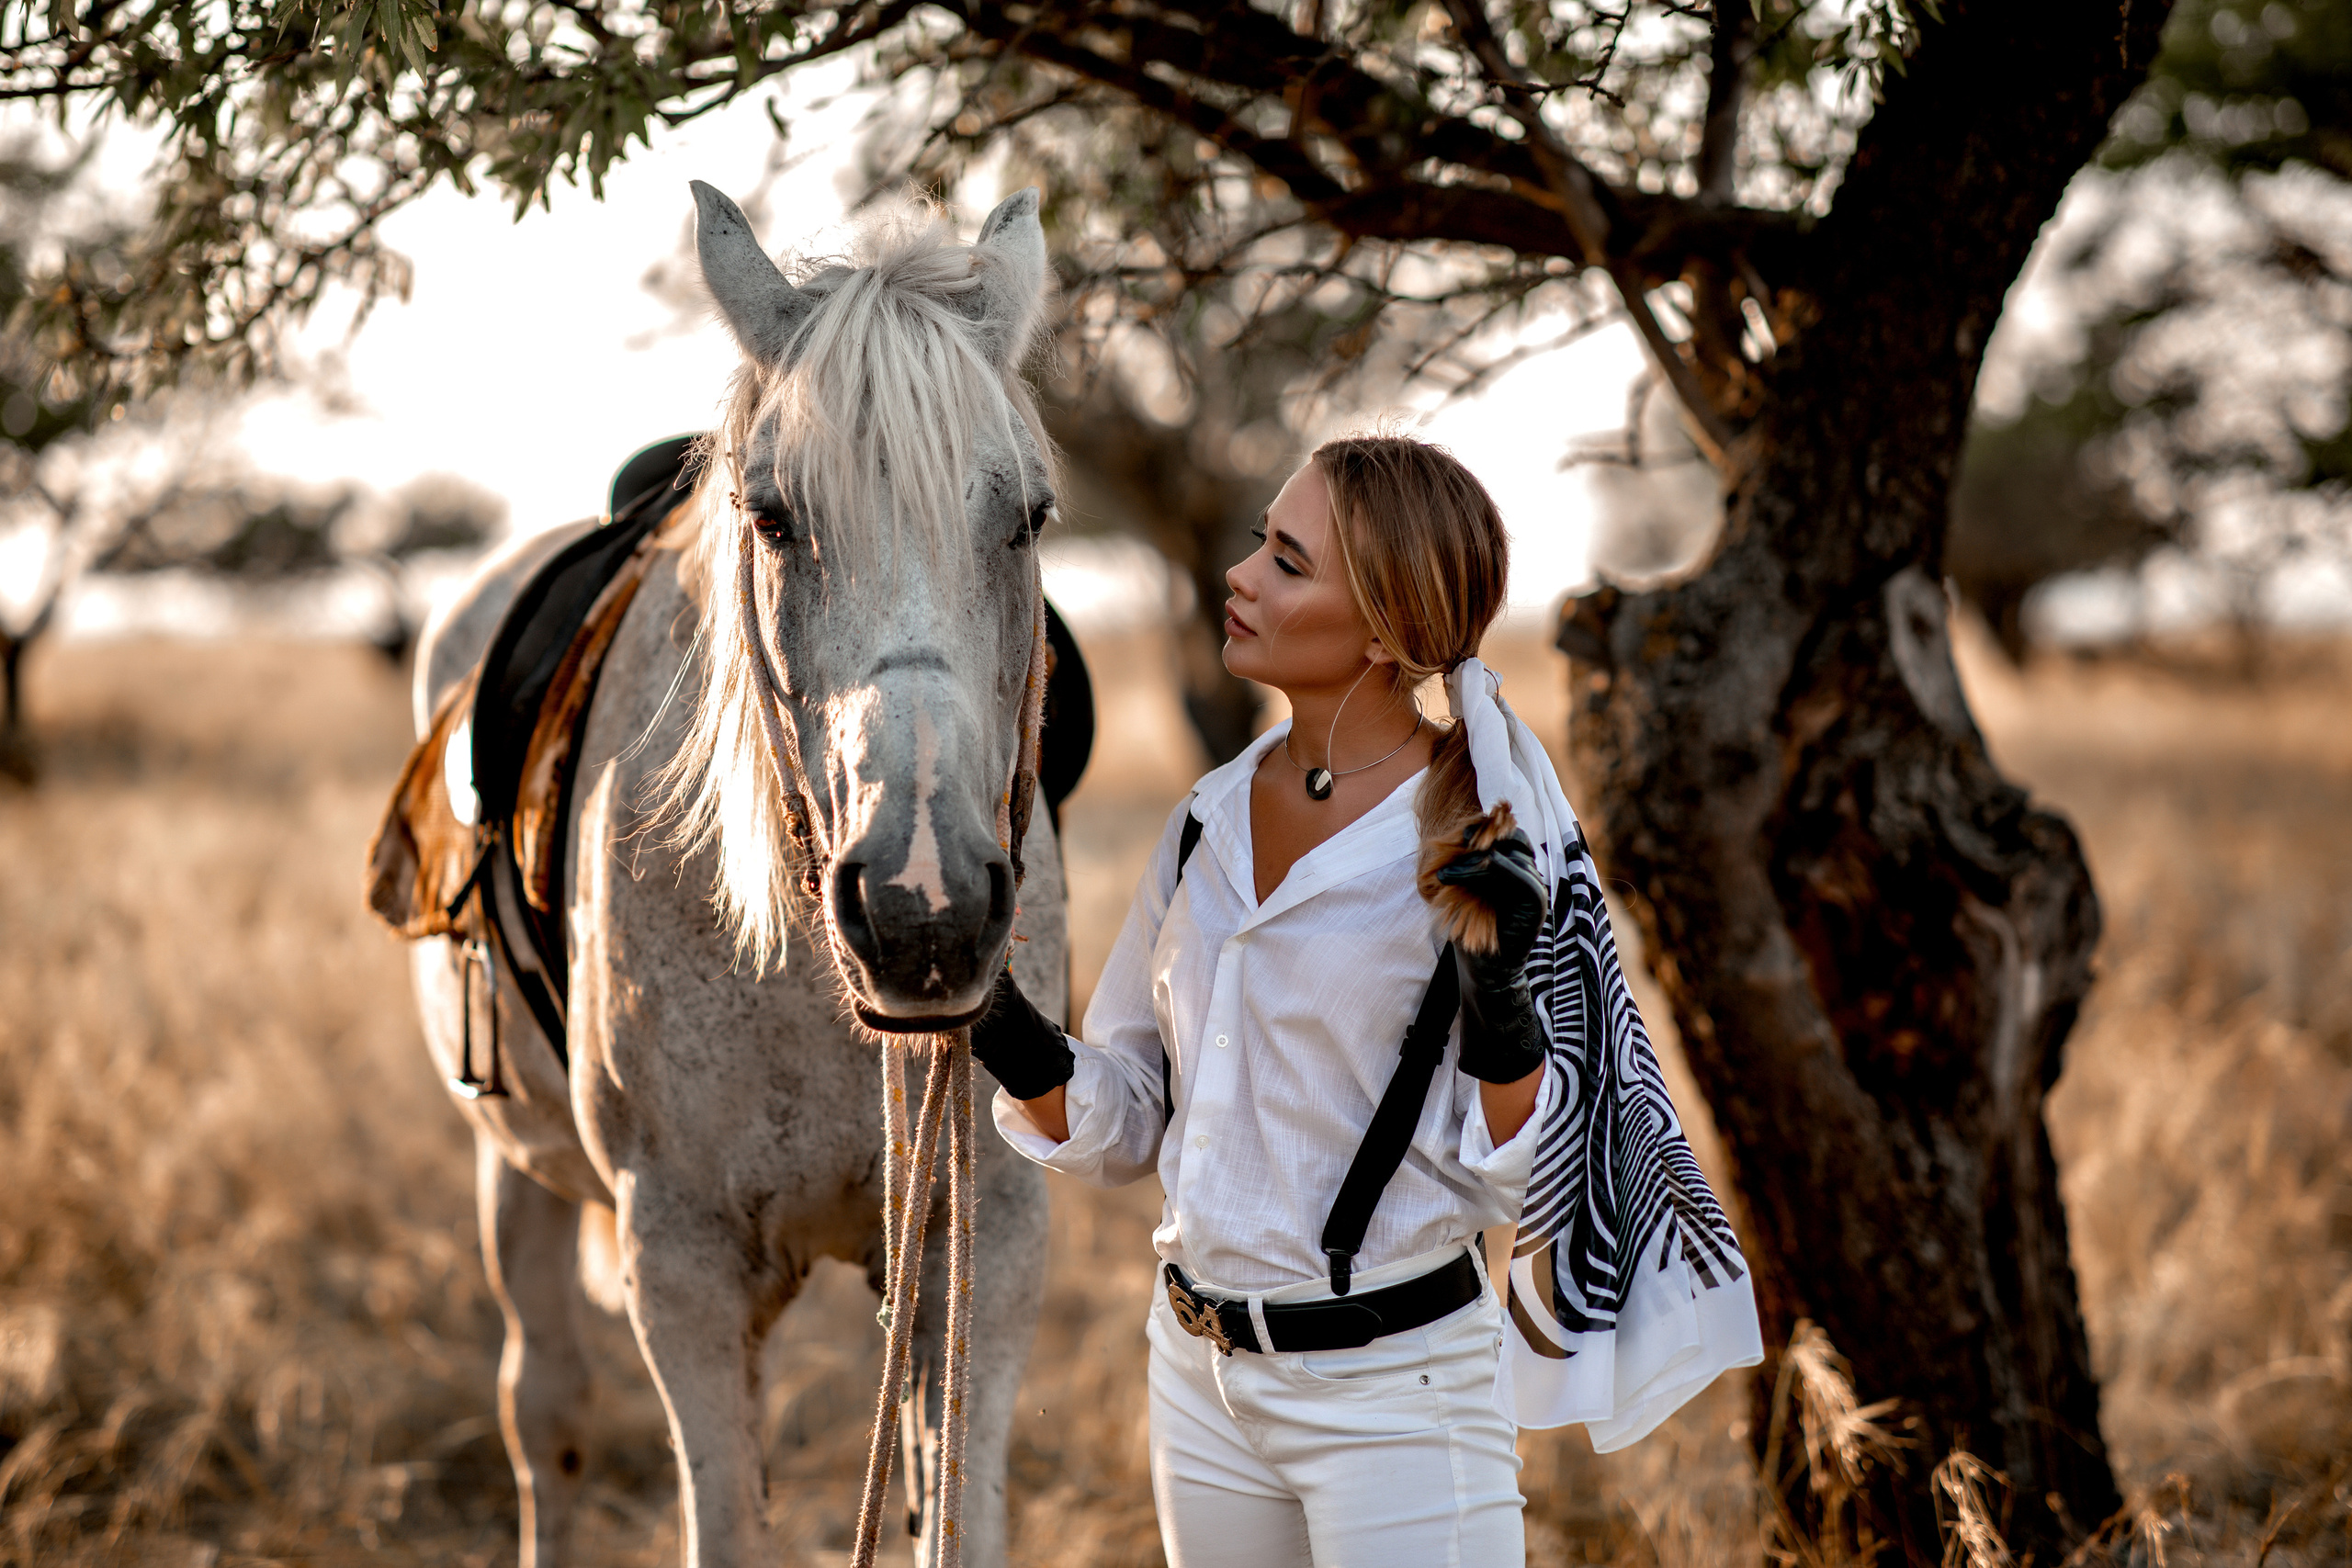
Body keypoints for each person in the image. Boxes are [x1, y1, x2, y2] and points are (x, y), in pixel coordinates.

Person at [971, 434, 1760, 1568]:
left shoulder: (1480, 839)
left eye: (1288, 562)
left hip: (1398, 1397)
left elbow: (1529, 1178)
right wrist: (988, 1016)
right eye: (1259, 544)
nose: (1241, 576)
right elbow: (1130, 1121)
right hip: (1196, 1380)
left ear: (1388, 626)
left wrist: (1498, 1008)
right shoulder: (1206, 817)